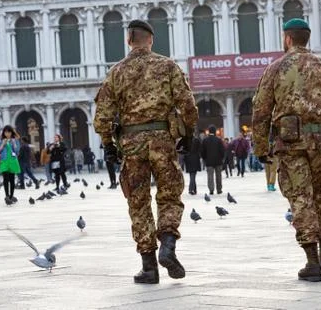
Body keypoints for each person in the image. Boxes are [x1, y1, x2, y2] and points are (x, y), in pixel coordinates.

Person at [94, 19, 198, 284]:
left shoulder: (116, 72)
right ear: (150, 40)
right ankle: (168, 244)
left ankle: (149, 267)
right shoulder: (167, 66)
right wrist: (187, 135)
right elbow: (187, 104)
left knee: (138, 202)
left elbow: (103, 114)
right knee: (170, 195)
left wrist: (108, 144)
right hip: (163, 140)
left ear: (129, 40)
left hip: (131, 144)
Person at [252, 18, 321, 282]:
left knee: (300, 197)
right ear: (307, 38)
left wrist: (261, 147)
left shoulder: (275, 68)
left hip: (291, 143)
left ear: (287, 38)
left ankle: (311, 262)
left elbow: (261, 111)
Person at [0, 125, 21, 204]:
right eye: (6, 132)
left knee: (12, 180)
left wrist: (14, 143)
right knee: (5, 179)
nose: (7, 134)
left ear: (11, 132)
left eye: (9, 132)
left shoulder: (15, 140)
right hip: (4, 161)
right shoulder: (1, 140)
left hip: (12, 161)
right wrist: (3, 144)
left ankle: (11, 196)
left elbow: (17, 152)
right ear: (4, 132)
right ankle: (7, 196)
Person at [201, 125, 225, 195]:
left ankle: (211, 189)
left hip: (209, 161)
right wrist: (221, 158)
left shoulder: (205, 140)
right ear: (215, 131)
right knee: (218, 176)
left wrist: (205, 159)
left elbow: (202, 152)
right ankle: (219, 189)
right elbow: (222, 151)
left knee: (210, 176)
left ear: (209, 131)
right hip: (218, 161)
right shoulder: (218, 140)